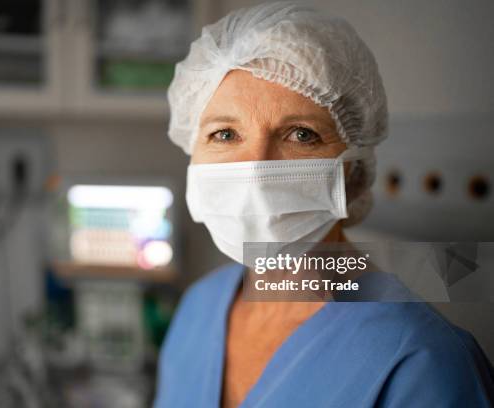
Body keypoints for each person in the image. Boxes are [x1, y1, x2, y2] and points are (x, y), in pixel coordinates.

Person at [154, 2, 494, 407]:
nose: (256, 170)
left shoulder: (424, 362)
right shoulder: (198, 308)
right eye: (225, 135)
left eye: (301, 135)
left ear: (353, 172)